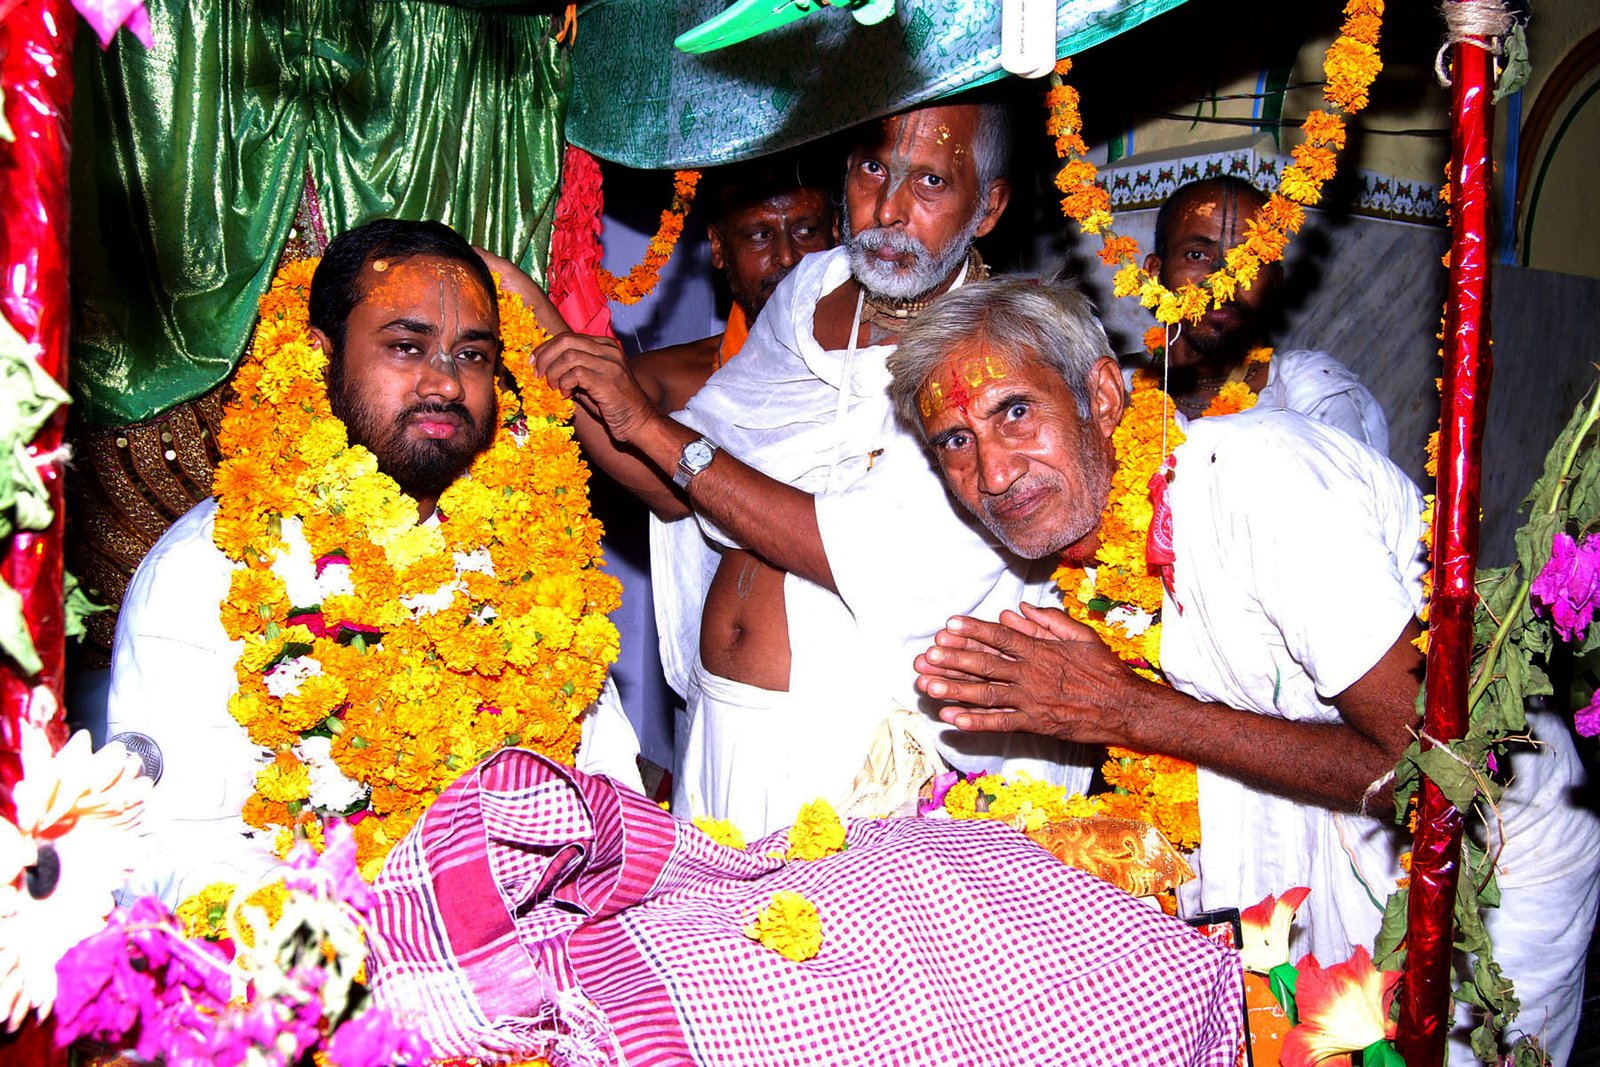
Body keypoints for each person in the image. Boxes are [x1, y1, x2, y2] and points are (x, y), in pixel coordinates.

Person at [889, 276, 1600, 1065]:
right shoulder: (1077, 564)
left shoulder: (1257, 485)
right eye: (954, 441)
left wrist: (1127, 710)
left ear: (1099, 394)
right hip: (1331, 840)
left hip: (1489, 858)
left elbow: (1440, 767)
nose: (992, 472)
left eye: (1014, 411)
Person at [535, 102, 1090, 837]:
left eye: (929, 181)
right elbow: (684, 488)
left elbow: (838, 544)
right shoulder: (811, 292)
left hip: (859, 752)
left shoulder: (992, 360)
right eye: (871, 170)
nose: (889, 208)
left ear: (987, 206)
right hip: (721, 721)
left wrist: (643, 423)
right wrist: (540, 331)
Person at [106, 219, 643, 904]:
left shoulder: (533, 558)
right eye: (405, 346)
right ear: (318, 356)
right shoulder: (213, 570)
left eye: (473, 355)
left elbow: (606, 790)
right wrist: (387, 937)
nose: (446, 383)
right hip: (314, 976)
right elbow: (171, 850)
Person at [1138, 176, 1389, 451]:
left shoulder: (1310, 397)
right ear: (1154, 273)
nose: (1224, 283)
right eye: (1197, 256)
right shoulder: (1115, 393)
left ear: (1274, 282)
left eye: (1249, 262)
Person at [631, 156, 838, 414]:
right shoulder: (663, 383)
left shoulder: (877, 367)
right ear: (718, 247)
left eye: (805, 231)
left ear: (836, 233)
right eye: (760, 236)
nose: (786, 256)